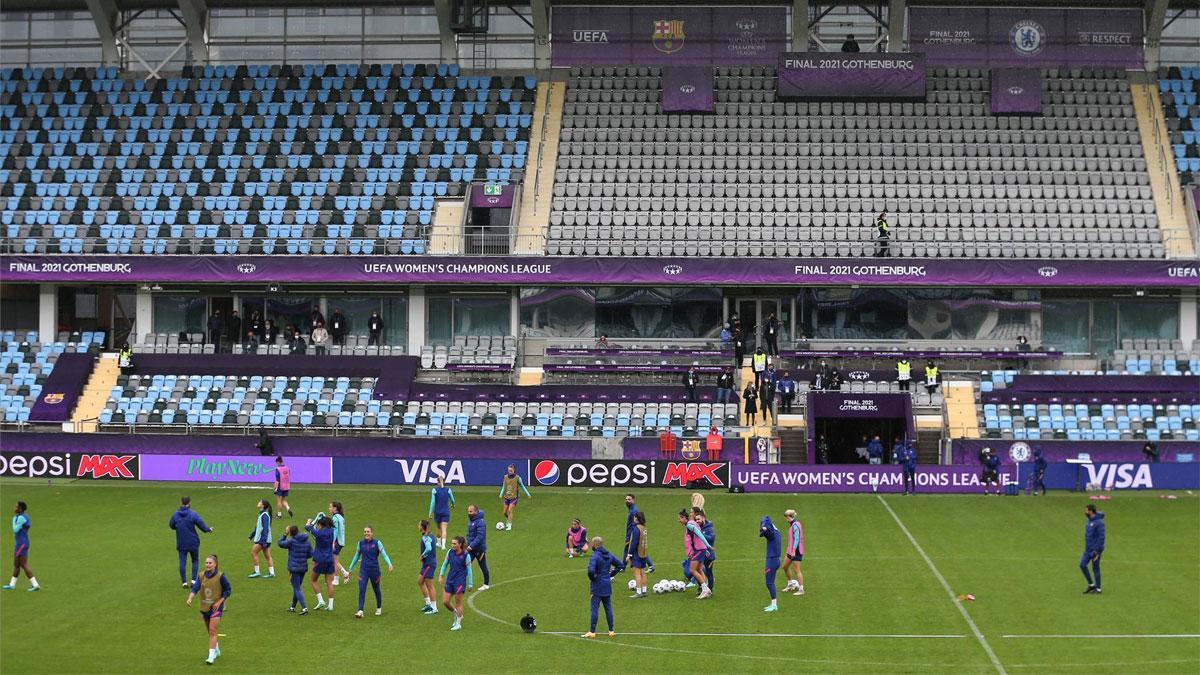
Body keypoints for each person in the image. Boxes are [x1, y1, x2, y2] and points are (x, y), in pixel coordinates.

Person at [186, 555, 230, 665]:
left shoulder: (221, 576)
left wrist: (220, 602)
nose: (208, 565)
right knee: (210, 632)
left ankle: (211, 656)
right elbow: (196, 587)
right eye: (206, 563)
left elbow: (228, 590)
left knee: (212, 630)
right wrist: (190, 598)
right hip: (204, 607)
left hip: (216, 608)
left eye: (210, 563)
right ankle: (216, 649)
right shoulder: (201, 576)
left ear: (215, 564)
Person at [347, 525, 394, 618]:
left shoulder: (377, 543)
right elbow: (357, 555)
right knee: (362, 589)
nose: (366, 533)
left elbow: (384, 555)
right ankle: (360, 610)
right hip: (363, 570)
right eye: (365, 531)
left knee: (376, 589)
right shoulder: (360, 543)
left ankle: (379, 607)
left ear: (372, 533)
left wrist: (389, 564)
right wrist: (351, 567)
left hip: (374, 571)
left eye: (368, 531)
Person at [584, 536, 625, 638]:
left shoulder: (594, 557)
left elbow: (590, 571)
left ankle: (592, 632)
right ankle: (611, 630)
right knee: (608, 607)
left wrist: (593, 578)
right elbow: (620, 565)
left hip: (597, 585)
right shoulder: (609, 555)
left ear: (594, 545)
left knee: (594, 608)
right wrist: (610, 574)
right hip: (607, 584)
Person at [169, 496, 213, 588]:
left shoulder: (176, 514)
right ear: (189, 503)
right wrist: (208, 529)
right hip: (193, 542)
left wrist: (178, 527)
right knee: (195, 561)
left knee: (182, 562)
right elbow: (200, 524)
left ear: (181, 502)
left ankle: (184, 583)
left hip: (181, 542)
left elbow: (171, 525)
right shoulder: (193, 514)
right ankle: (193, 581)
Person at [437, 536, 474, 631]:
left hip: (460, 582)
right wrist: (441, 575)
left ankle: (458, 623)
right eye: (452, 543)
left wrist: (470, 583)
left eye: (454, 544)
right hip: (450, 580)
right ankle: (456, 613)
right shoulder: (450, 552)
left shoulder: (466, 555)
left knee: (458, 603)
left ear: (460, 544)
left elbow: (469, 570)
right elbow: (445, 564)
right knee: (445, 601)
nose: (452, 545)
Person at [3, 501, 38, 591]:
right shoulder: (22, 516)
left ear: (20, 509)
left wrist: (13, 520)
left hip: (22, 543)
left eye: (16, 507)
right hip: (20, 543)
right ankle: (12, 584)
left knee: (23, 564)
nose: (14, 508)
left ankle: (35, 585)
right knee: (16, 564)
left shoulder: (21, 518)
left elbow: (15, 530)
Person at [305, 515, 337, 611]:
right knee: (329, 582)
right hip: (330, 559)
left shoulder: (319, 533)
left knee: (313, 580)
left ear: (321, 524)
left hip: (320, 560)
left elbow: (307, 527)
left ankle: (321, 601)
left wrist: (309, 521)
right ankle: (330, 605)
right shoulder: (331, 531)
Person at [278, 524, 311, 614]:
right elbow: (310, 554)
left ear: (291, 533)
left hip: (294, 568)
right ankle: (293, 607)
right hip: (303, 567)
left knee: (297, 588)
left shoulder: (291, 541)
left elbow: (280, 543)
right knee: (297, 587)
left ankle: (304, 608)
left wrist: (285, 534)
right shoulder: (307, 541)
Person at [680, 510, 712, 599]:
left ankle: (705, 590)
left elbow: (700, 534)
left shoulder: (690, 525)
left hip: (698, 550)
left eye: (680, 518)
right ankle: (705, 590)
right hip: (701, 549)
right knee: (699, 569)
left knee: (693, 570)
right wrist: (706, 549)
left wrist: (708, 545)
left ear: (684, 518)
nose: (679, 520)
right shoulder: (692, 523)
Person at [623, 494, 654, 574]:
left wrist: (630, 535)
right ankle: (650, 566)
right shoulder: (632, 509)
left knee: (628, 549)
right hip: (633, 532)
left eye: (629, 499)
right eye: (626, 499)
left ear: (633, 500)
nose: (627, 501)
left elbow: (635, 524)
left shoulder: (634, 511)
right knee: (640, 550)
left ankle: (622, 567)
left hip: (632, 533)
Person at [498, 464, 532, 531]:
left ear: (514, 470)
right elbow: (503, 486)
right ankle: (508, 520)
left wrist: (528, 494)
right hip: (506, 497)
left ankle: (509, 525)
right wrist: (501, 494)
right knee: (505, 512)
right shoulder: (505, 477)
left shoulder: (518, 478)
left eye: (511, 470)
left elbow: (522, 486)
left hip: (514, 498)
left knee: (510, 510)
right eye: (509, 470)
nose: (509, 472)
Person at [1081, 504, 1106, 594]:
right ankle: (1091, 585)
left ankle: (1098, 589)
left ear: (1091, 511)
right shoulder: (1089, 521)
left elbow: (1101, 538)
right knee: (1082, 565)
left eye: (1086, 510)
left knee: (1095, 568)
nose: (1085, 512)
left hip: (1095, 551)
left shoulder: (1099, 522)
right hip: (1087, 550)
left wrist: (1097, 551)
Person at [465, 504, 490, 590]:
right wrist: (467, 543)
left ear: (476, 511)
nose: (469, 513)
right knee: (465, 564)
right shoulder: (471, 521)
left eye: (471, 511)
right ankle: (461, 581)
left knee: (483, 566)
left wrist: (471, 546)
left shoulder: (480, 522)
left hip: (479, 549)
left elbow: (480, 536)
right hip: (471, 549)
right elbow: (469, 535)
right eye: (468, 511)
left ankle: (486, 584)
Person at [248, 499, 275, 579]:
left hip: (263, 539)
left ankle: (257, 572)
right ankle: (272, 573)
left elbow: (265, 529)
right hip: (266, 539)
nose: (258, 503)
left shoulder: (264, 515)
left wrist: (263, 541)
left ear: (262, 505)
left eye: (260, 502)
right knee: (267, 556)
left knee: (253, 553)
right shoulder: (263, 514)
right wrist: (251, 536)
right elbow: (258, 527)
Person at [427, 475, 455, 549]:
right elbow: (452, 499)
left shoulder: (434, 490)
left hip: (437, 512)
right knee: (444, 529)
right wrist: (453, 504)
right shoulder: (448, 490)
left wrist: (430, 513)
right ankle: (443, 545)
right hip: (446, 512)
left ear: (437, 482)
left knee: (438, 528)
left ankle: (439, 542)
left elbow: (432, 503)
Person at [760, 514, 782, 612]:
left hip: (772, 560)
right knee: (770, 582)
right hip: (775, 560)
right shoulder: (777, 532)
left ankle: (774, 605)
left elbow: (768, 534)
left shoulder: (772, 534)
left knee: (769, 583)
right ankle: (773, 604)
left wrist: (764, 529)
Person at [418, 520, 439, 614]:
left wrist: (422, 555)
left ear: (422, 527)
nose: (418, 526)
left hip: (429, 564)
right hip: (427, 564)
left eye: (419, 524)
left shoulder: (426, 537)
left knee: (429, 585)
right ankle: (428, 604)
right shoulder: (429, 535)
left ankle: (434, 608)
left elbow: (429, 548)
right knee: (420, 582)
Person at [693, 508, 717, 592]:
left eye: (698, 519)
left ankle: (710, 590)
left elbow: (711, 539)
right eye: (696, 520)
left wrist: (700, 535)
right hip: (700, 553)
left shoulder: (709, 527)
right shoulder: (698, 527)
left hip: (709, 555)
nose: (697, 521)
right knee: (697, 570)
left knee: (708, 572)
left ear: (703, 518)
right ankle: (701, 588)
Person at [783, 509, 805, 596]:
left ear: (789, 517)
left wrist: (793, 550)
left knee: (797, 570)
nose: (785, 519)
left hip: (796, 551)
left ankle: (801, 590)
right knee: (785, 566)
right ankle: (791, 584)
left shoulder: (795, 525)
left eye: (786, 517)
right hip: (790, 550)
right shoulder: (793, 524)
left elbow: (797, 538)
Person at [625, 513, 647, 598]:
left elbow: (634, 542)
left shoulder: (636, 528)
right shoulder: (644, 527)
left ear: (636, 518)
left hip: (637, 553)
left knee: (637, 573)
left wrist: (629, 554)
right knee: (643, 572)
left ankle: (638, 592)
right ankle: (644, 590)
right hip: (644, 552)